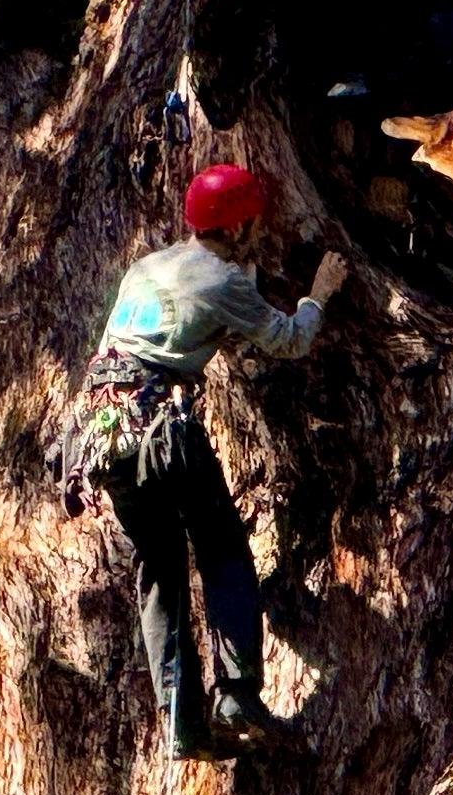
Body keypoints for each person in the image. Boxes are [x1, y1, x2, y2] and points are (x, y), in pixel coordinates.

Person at [69, 163, 346, 758]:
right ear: (240, 222)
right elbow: (288, 339)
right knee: (220, 548)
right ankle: (237, 696)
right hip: (163, 425)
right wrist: (317, 297)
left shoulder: (146, 267)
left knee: (159, 573)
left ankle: (180, 724)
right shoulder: (224, 282)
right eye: (254, 222)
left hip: (104, 432)